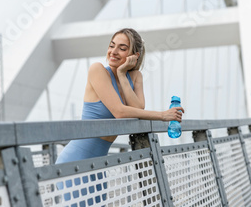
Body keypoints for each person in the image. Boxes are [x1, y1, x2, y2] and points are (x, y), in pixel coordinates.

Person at [55, 28, 184, 164]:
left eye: (122, 48)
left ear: (134, 55)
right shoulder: (97, 70)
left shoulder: (135, 77)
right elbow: (119, 112)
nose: (113, 52)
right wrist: (163, 115)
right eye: (112, 46)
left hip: (99, 164)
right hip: (75, 160)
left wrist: (122, 74)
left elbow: (138, 109)